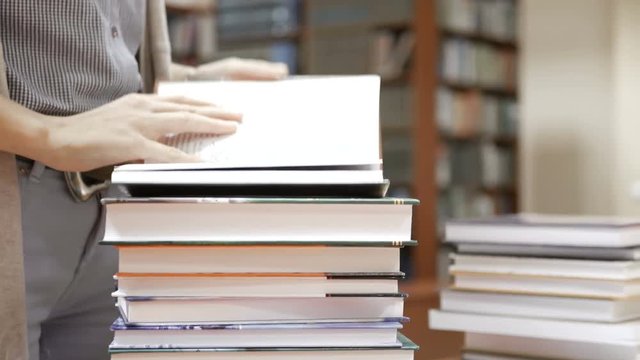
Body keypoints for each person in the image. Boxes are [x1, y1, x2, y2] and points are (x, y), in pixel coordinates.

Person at [0, 1, 288, 359]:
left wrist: (188, 81)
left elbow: (87, 52)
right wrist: (47, 134)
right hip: (17, 202)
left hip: (120, 210)